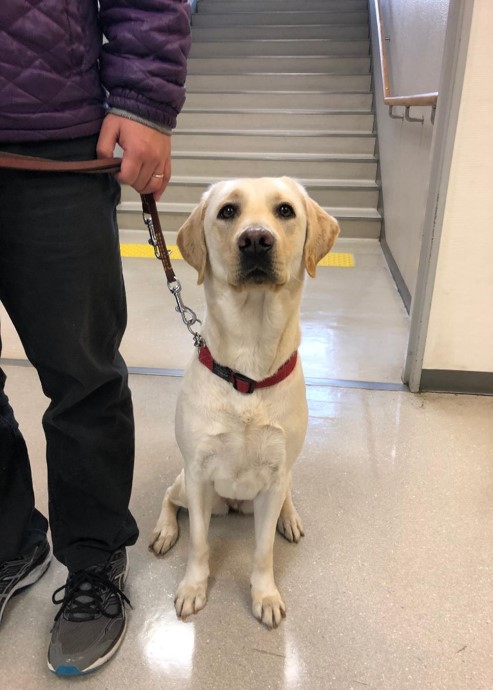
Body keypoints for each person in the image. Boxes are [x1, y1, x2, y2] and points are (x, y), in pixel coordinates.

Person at [0, 0, 191, 676]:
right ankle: (9, 545)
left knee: (82, 372)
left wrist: (145, 102)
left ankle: (93, 560)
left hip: (50, 132)